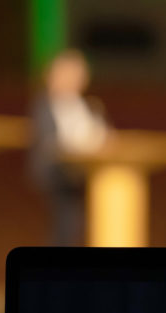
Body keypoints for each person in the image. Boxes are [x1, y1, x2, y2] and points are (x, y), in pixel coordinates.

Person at [29, 49, 107, 245]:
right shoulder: (43, 106)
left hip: (84, 172)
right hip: (56, 173)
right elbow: (48, 141)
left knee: (83, 220)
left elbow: (98, 133)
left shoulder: (89, 106)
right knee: (66, 223)